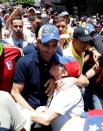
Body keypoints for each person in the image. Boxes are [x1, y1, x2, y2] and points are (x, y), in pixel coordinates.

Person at [11, 24, 60, 130]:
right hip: (28, 118)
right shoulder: (25, 63)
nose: (50, 50)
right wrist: (34, 114)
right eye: (46, 45)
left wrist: (56, 79)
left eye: (54, 45)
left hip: (50, 117)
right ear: (38, 43)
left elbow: (82, 80)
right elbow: (15, 92)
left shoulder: (58, 60)